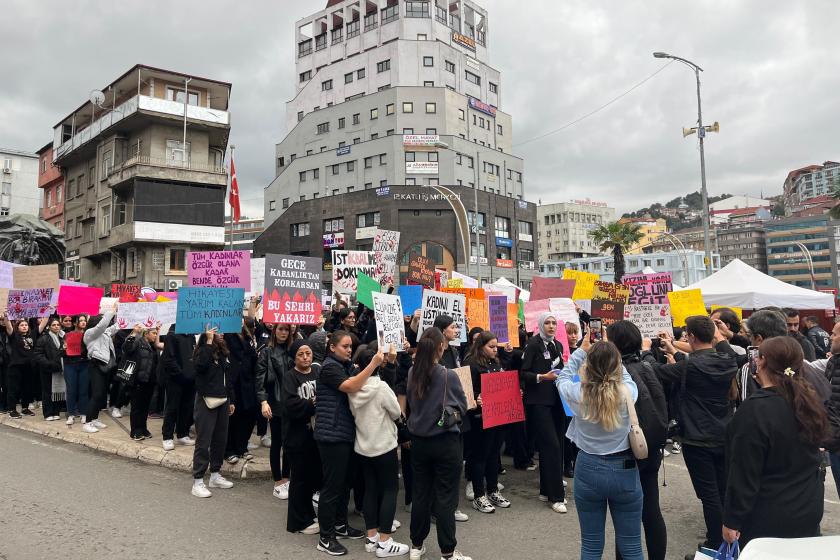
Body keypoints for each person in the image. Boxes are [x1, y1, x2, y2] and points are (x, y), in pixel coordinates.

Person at [722, 336, 827, 546]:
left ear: (761, 362)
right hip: (807, 505)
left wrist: (732, 520)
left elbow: (744, 471)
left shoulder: (755, 409)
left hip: (768, 512)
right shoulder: (808, 401)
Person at [651, 316, 738, 556]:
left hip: (697, 438)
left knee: (709, 495)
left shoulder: (689, 365)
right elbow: (714, 356)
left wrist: (648, 353)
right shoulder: (728, 361)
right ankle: (727, 540)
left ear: (690, 336)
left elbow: (658, 372)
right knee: (722, 490)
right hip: (723, 433)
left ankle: (715, 543)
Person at [555, 333, 642, 560]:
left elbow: (562, 377)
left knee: (591, 545)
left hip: (588, 468)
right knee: (632, 546)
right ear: (618, 364)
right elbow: (625, 377)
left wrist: (581, 351)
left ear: (588, 365)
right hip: (624, 469)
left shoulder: (577, 393)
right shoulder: (628, 393)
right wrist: (613, 355)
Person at [314, 330, 383, 556]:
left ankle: (340, 525)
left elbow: (361, 377)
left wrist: (388, 361)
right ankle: (325, 537)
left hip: (344, 432)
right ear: (332, 347)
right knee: (332, 487)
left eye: (351, 346)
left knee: (345, 484)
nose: (349, 349)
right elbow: (352, 386)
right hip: (332, 434)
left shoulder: (344, 365)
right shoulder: (330, 367)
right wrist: (373, 364)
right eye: (345, 346)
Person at [406, 328, 471, 560]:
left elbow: (411, 405)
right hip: (445, 441)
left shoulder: (413, 371)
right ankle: (448, 552)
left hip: (419, 442)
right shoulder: (448, 375)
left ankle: (416, 545)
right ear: (441, 347)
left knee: (421, 494)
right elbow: (463, 405)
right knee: (446, 497)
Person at [609, 321, 668, 560]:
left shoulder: (617, 374)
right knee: (651, 510)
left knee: (626, 517)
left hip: (627, 449)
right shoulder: (649, 365)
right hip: (652, 446)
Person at [349, 343, 410, 558]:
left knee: (370, 490)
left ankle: (371, 536)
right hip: (384, 445)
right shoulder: (381, 387)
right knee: (390, 491)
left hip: (363, 445)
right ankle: (385, 540)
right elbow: (396, 412)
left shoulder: (352, 387)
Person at [519, 312, 568, 513]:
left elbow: (562, 368)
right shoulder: (533, 345)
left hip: (556, 401)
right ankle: (556, 497)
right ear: (540, 325)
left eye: (553, 323)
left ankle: (546, 489)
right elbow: (523, 373)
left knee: (557, 445)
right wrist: (541, 377)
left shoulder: (557, 345)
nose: (550, 326)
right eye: (547, 323)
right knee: (551, 446)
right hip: (539, 402)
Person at [463, 331, 511, 514]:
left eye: (495, 347)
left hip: (498, 416)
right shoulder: (471, 363)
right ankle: (478, 495)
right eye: (490, 347)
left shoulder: (497, 362)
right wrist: (477, 398)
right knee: (479, 456)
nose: (494, 350)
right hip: (479, 418)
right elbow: (466, 390)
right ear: (480, 346)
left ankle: (493, 490)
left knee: (493, 454)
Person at [281, 339, 321, 535]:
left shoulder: (316, 372)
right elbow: (290, 405)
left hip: (314, 436)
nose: (306, 357)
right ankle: (297, 521)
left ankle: (308, 514)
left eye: (308, 353)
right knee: (299, 479)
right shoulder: (289, 377)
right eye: (301, 354)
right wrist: (312, 404)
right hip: (296, 436)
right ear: (294, 357)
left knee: (310, 478)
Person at [191, 327, 236, 498]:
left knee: (220, 439)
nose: (221, 332)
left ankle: (215, 474)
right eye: (217, 330)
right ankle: (198, 480)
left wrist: (231, 399)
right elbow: (200, 366)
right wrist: (208, 342)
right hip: (206, 400)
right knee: (204, 441)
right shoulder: (202, 350)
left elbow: (227, 377)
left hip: (223, 400)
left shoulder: (223, 351)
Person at [255, 323, 293, 499]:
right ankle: (278, 481)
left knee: (289, 443)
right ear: (274, 330)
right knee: (277, 442)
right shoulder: (267, 352)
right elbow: (260, 378)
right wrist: (263, 401)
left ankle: (287, 477)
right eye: (280, 329)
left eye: (287, 329)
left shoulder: (294, 349)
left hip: (293, 403)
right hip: (276, 403)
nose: (284, 332)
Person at [224, 318, 259, 462]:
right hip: (233, 385)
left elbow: (252, 360)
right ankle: (229, 450)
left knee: (247, 418)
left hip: (247, 385)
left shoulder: (249, 337)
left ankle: (242, 447)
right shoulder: (228, 336)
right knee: (232, 419)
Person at [82, 306, 120, 433]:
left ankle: (95, 419)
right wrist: (111, 310)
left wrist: (122, 313)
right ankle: (87, 422)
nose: (105, 323)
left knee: (102, 395)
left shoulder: (105, 333)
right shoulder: (89, 333)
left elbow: (116, 326)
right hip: (96, 366)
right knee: (96, 394)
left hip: (106, 366)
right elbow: (101, 326)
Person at [123, 324, 163, 441]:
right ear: (146, 333)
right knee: (137, 407)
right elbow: (127, 347)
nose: (155, 336)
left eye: (156, 333)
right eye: (154, 333)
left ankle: (143, 428)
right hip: (138, 380)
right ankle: (135, 430)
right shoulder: (138, 342)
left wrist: (158, 330)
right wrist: (134, 333)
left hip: (149, 381)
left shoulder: (152, 346)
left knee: (145, 407)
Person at [161, 327, 197, 450]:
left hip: (190, 380)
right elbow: (168, 359)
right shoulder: (172, 335)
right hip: (175, 380)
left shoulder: (191, 335)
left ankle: (182, 433)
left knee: (187, 408)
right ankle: (167, 437)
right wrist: (181, 374)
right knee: (172, 408)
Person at [33, 317, 65, 421]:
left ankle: (56, 412)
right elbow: (38, 354)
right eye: (54, 325)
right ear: (49, 327)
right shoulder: (44, 338)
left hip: (59, 369)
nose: (56, 327)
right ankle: (48, 413)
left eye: (58, 325)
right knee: (47, 391)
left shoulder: (63, 337)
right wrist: (48, 363)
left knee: (57, 390)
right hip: (47, 370)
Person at [63, 315, 89, 426]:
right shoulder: (67, 335)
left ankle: (84, 413)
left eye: (84, 321)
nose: (83, 323)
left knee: (84, 390)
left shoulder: (88, 335)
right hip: (70, 365)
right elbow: (60, 352)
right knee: (71, 390)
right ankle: (71, 414)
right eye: (80, 321)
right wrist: (63, 348)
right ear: (74, 323)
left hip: (84, 364)